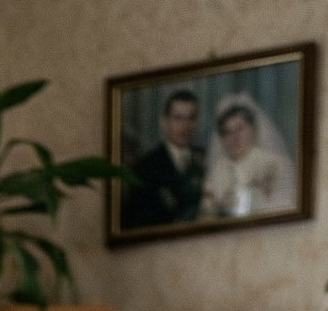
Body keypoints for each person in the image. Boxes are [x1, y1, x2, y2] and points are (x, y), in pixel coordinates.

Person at [122, 88, 206, 230]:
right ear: (164, 121)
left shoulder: (206, 160)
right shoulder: (145, 166)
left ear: (196, 122)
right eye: (178, 118)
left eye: (191, 118)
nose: (185, 126)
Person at [202, 95, 298, 217]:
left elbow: (285, 207)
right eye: (227, 132)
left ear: (253, 129)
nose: (234, 137)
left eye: (240, 129)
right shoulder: (216, 170)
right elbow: (207, 213)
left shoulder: (275, 164)